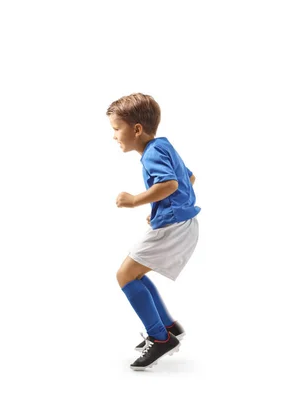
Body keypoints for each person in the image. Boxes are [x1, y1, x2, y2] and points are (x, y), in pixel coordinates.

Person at [107, 93, 200, 370]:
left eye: (116, 129)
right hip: (181, 222)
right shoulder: (163, 145)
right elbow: (189, 178)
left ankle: (160, 338)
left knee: (125, 275)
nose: (114, 136)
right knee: (133, 273)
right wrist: (163, 206)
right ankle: (169, 327)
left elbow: (171, 184)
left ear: (136, 129)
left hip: (173, 226)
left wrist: (135, 200)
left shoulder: (151, 154)